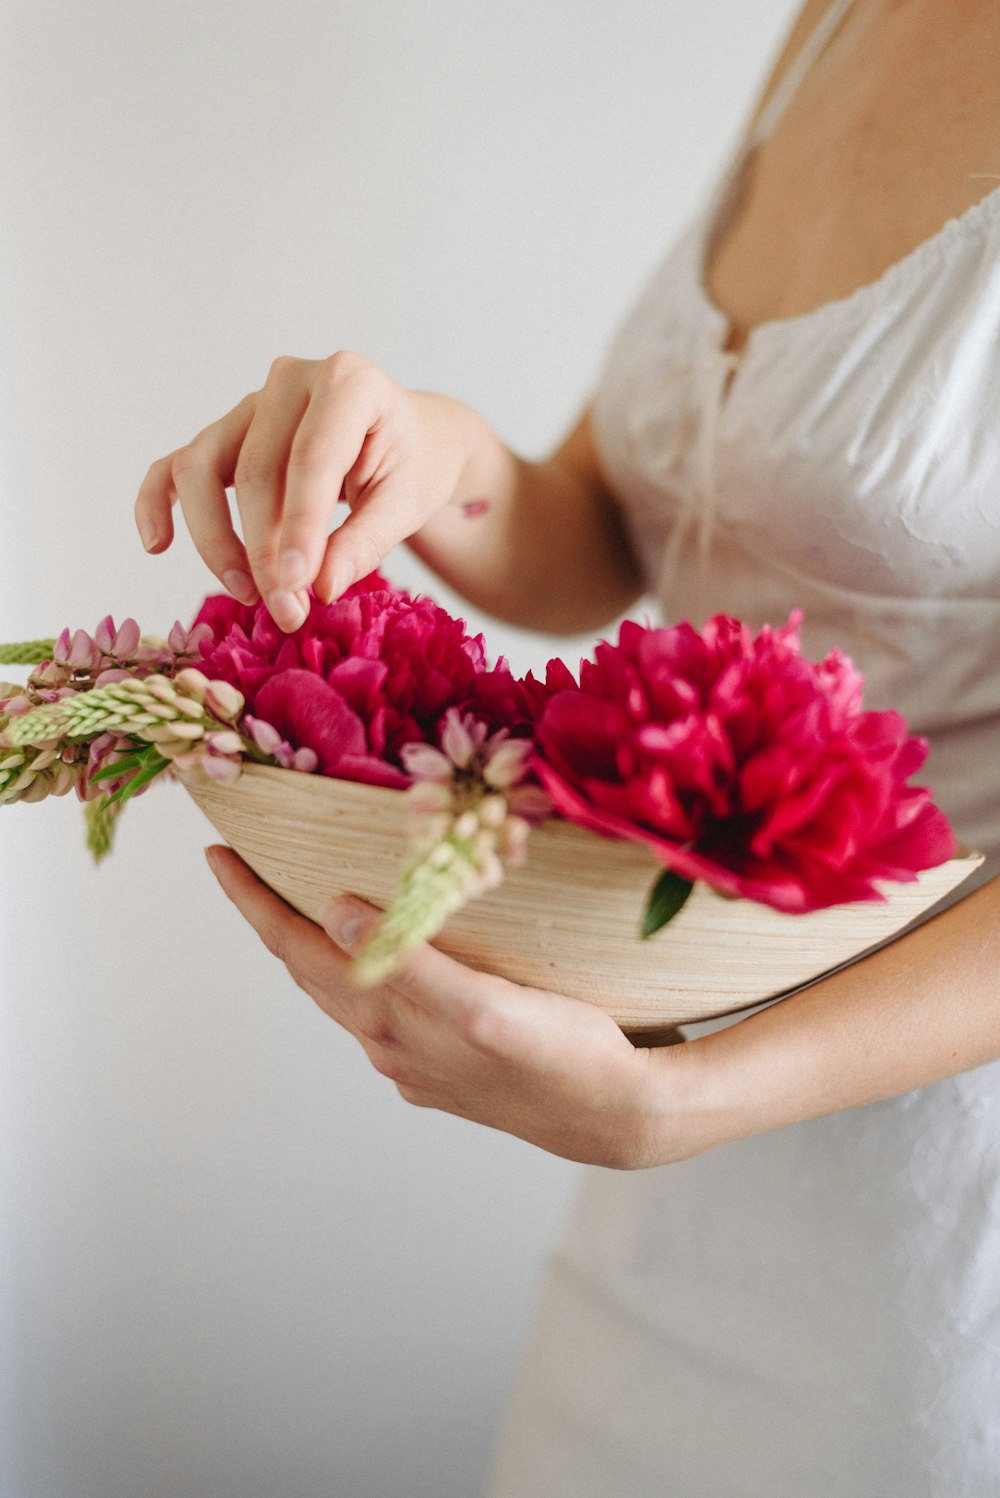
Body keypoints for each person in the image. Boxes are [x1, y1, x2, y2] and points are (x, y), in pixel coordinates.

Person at [134, 0, 1000, 1490]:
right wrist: (438, 451)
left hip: (924, 1215)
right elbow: (620, 518)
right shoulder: (840, 19)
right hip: (651, 1195)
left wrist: (687, 1102)